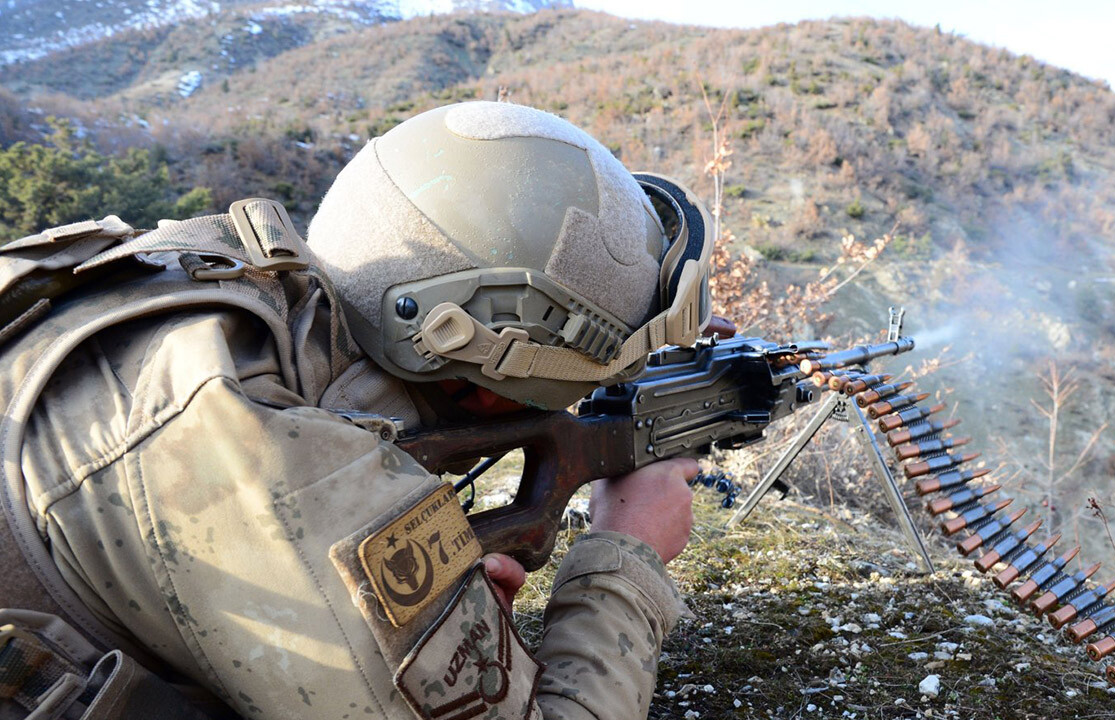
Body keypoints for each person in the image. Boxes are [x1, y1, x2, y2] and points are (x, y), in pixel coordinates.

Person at [0, 101, 722, 719]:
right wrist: (625, 553)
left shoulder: (222, 296)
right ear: (481, 378)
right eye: (578, 383)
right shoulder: (290, 468)